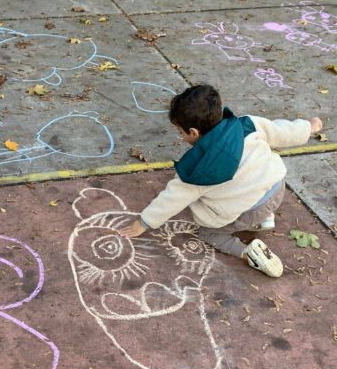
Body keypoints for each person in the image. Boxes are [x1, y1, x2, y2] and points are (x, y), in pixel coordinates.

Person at [121, 84, 323, 277]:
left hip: (249, 209)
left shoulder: (197, 168)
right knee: (249, 183)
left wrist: (144, 223)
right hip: (276, 188)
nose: (180, 136)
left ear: (193, 132)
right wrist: (308, 127)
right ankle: (264, 218)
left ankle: (248, 254)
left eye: (180, 132)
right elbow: (281, 131)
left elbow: (171, 199)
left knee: (209, 233)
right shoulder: (246, 124)